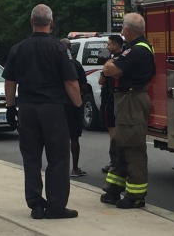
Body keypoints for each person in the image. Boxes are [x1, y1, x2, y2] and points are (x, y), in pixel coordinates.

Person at [2, 4, 82, 220]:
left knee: (31, 158)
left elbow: (10, 81)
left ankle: (36, 204)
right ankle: (56, 206)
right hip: (53, 110)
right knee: (57, 158)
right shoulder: (59, 49)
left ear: (31, 22)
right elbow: (71, 82)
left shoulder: (18, 48)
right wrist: (78, 105)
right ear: (51, 22)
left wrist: (10, 107)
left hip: (27, 109)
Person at [100, 13, 156, 209]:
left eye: (123, 27)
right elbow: (111, 68)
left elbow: (108, 70)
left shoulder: (136, 51)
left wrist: (111, 64)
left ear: (128, 30)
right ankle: (114, 189)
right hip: (127, 100)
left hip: (132, 100)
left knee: (133, 147)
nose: (122, 31)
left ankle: (135, 196)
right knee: (120, 144)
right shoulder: (135, 49)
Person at [59, 38, 87, 178]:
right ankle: (75, 168)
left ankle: (59, 167)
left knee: (57, 137)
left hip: (56, 104)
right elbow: (82, 85)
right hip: (73, 104)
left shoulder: (53, 64)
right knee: (74, 137)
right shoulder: (75, 64)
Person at [98, 34, 124, 174]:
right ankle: (120, 160)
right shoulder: (125, 59)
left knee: (113, 132)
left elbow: (101, 81)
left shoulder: (113, 61)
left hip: (111, 99)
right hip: (120, 99)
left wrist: (104, 71)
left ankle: (114, 162)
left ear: (115, 45)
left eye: (109, 44)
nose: (107, 47)